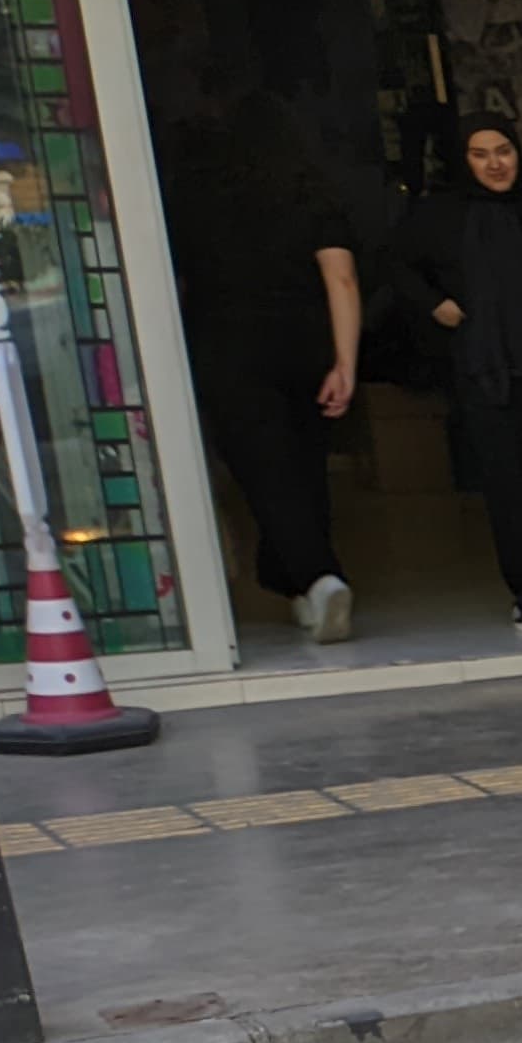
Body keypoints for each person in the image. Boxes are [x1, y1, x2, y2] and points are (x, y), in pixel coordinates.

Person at [160, 93, 362, 642]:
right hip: (304, 344)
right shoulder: (312, 196)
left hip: (226, 346)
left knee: (268, 475)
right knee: (304, 469)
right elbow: (341, 281)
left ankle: (319, 579)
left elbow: (170, 279)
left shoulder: (192, 198)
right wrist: (346, 361)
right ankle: (294, 586)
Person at [390, 113, 522, 633]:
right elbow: (395, 265)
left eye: (503, 150)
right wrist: (435, 303)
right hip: (489, 378)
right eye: (480, 154)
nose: (495, 164)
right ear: (464, 160)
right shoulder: (439, 214)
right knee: (510, 491)